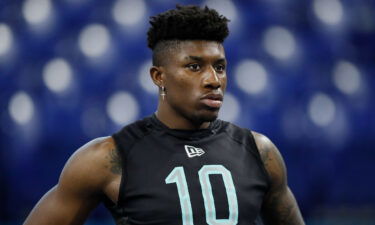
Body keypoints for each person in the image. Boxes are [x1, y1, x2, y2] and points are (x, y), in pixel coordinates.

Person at [24, 5, 305, 225]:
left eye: (219, 67)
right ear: (159, 77)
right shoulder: (108, 158)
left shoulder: (260, 152)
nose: (213, 80)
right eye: (195, 67)